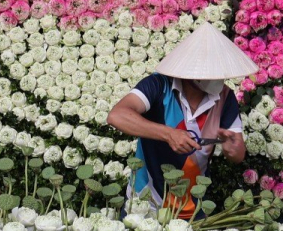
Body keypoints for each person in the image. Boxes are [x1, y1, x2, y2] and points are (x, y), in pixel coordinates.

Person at [106, 26, 255, 215]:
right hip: (145, 201)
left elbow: (238, 153)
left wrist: (232, 149)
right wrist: (168, 134)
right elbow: (117, 115)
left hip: (193, 206)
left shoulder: (225, 97)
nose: (218, 77)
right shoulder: (158, 86)